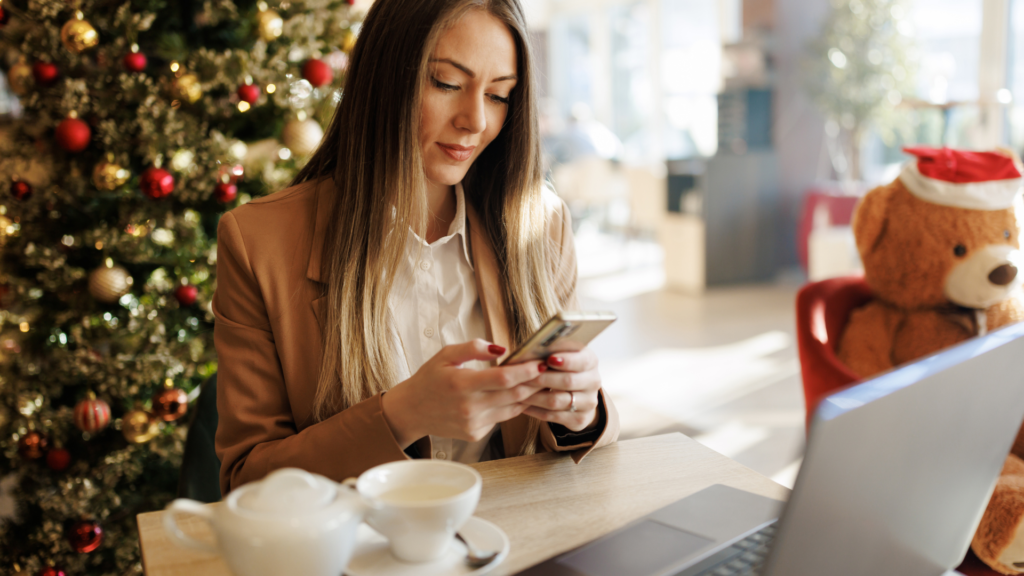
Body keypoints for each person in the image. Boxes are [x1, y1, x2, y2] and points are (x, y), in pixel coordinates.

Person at [213, 0, 619, 495]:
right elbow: (248, 479)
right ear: (384, 77)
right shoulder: (260, 243)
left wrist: (582, 411)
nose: (475, 121)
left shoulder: (540, 224)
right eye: (447, 83)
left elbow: (588, 439)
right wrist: (401, 415)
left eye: (498, 95)